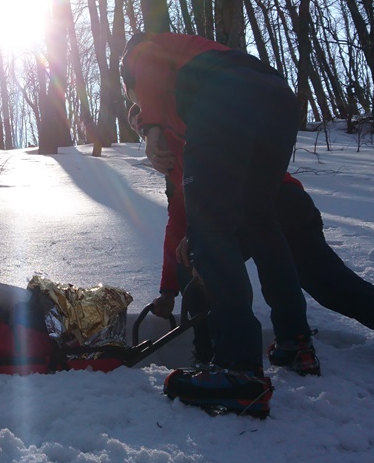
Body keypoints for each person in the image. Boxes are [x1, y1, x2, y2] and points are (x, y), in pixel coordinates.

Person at [133, 105, 374, 388]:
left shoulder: (198, 137)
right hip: (288, 205)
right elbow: (176, 228)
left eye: (147, 127)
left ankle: (212, 362)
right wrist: (167, 290)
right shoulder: (176, 175)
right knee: (334, 287)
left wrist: (200, 239)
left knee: (205, 265)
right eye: (139, 132)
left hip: (270, 204)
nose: (148, 140)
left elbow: (231, 180)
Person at [119, 31, 308, 418]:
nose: (140, 114)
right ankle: (294, 340)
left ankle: (239, 368)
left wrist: (151, 124)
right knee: (259, 219)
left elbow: (149, 67)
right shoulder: (191, 68)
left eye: (135, 105)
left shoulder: (141, 52)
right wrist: (168, 289)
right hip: (275, 98)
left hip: (226, 96)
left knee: (209, 230)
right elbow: (178, 217)